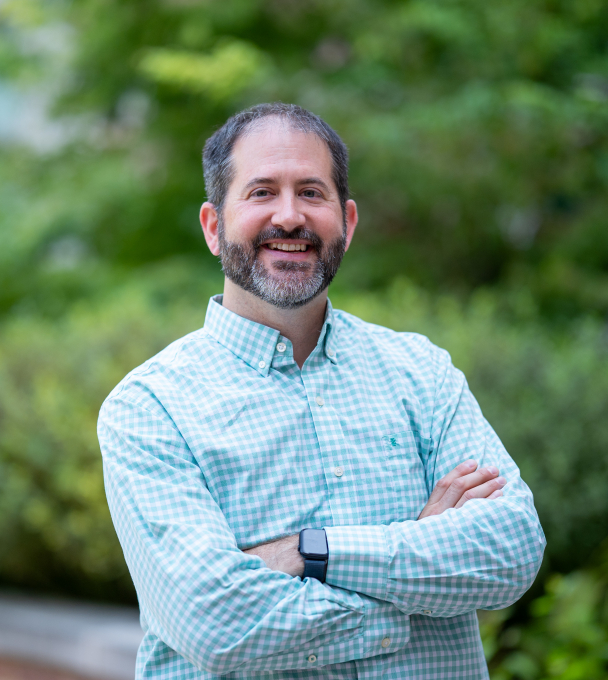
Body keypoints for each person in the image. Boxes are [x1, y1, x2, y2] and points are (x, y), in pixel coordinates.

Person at [98, 103, 545, 679]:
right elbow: (214, 621)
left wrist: (311, 551)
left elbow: (511, 550)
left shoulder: (421, 372)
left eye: (311, 192)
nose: (290, 217)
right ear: (214, 227)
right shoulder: (150, 408)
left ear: (348, 222)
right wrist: (410, 569)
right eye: (262, 192)